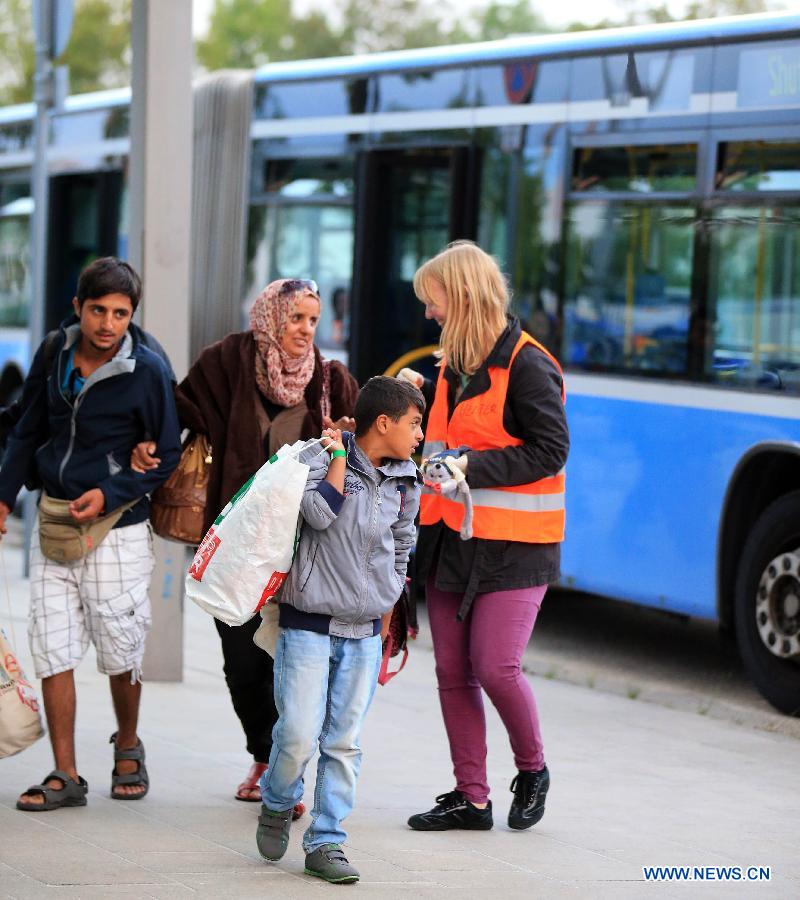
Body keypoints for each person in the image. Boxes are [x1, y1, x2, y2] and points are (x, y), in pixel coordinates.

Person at [131, 277, 359, 810]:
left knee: (293, 659)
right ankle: (264, 750)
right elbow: (177, 410)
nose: (305, 330)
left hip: (306, 546)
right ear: (270, 316)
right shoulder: (226, 362)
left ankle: (284, 770)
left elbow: (362, 446)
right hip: (235, 543)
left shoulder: (329, 380)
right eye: (295, 317)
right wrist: (145, 442)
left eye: (312, 320)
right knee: (241, 660)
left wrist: (346, 436)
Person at [399, 241, 569, 833]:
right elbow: (441, 444)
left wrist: (471, 466)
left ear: (464, 296)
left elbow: (552, 451)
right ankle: (471, 798)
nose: (428, 313)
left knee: (496, 667)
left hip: (517, 545)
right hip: (453, 538)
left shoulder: (528, 363)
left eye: (434, 300)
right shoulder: (451, 366)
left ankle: (533, 769)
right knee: (452, 671)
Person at [0, 257, 181, 811]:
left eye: (120, 313)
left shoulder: (146, 371)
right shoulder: (55, 354)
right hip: (52, 520)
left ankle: (128, 743)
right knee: (51, 644)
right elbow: (29, 426)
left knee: (121, 646)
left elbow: (167, 452)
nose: (108, 323)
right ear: (78, 308)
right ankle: (66, 773)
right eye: (98, 310)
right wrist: (4, 496)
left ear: (132, 316)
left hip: (118, 528)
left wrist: (115, 488)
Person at [255, 376, 424, 884]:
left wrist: (388, 600)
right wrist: (335, 459)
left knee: (344, 742)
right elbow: (318, 513)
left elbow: (402, 544)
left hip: (365, 630)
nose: (419, 435)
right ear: (384, 423)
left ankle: (327, 841)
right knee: (298, 734)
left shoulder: (407, 480)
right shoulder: (315, 457)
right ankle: (278, 800)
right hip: (308, 622)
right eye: (415, 424)